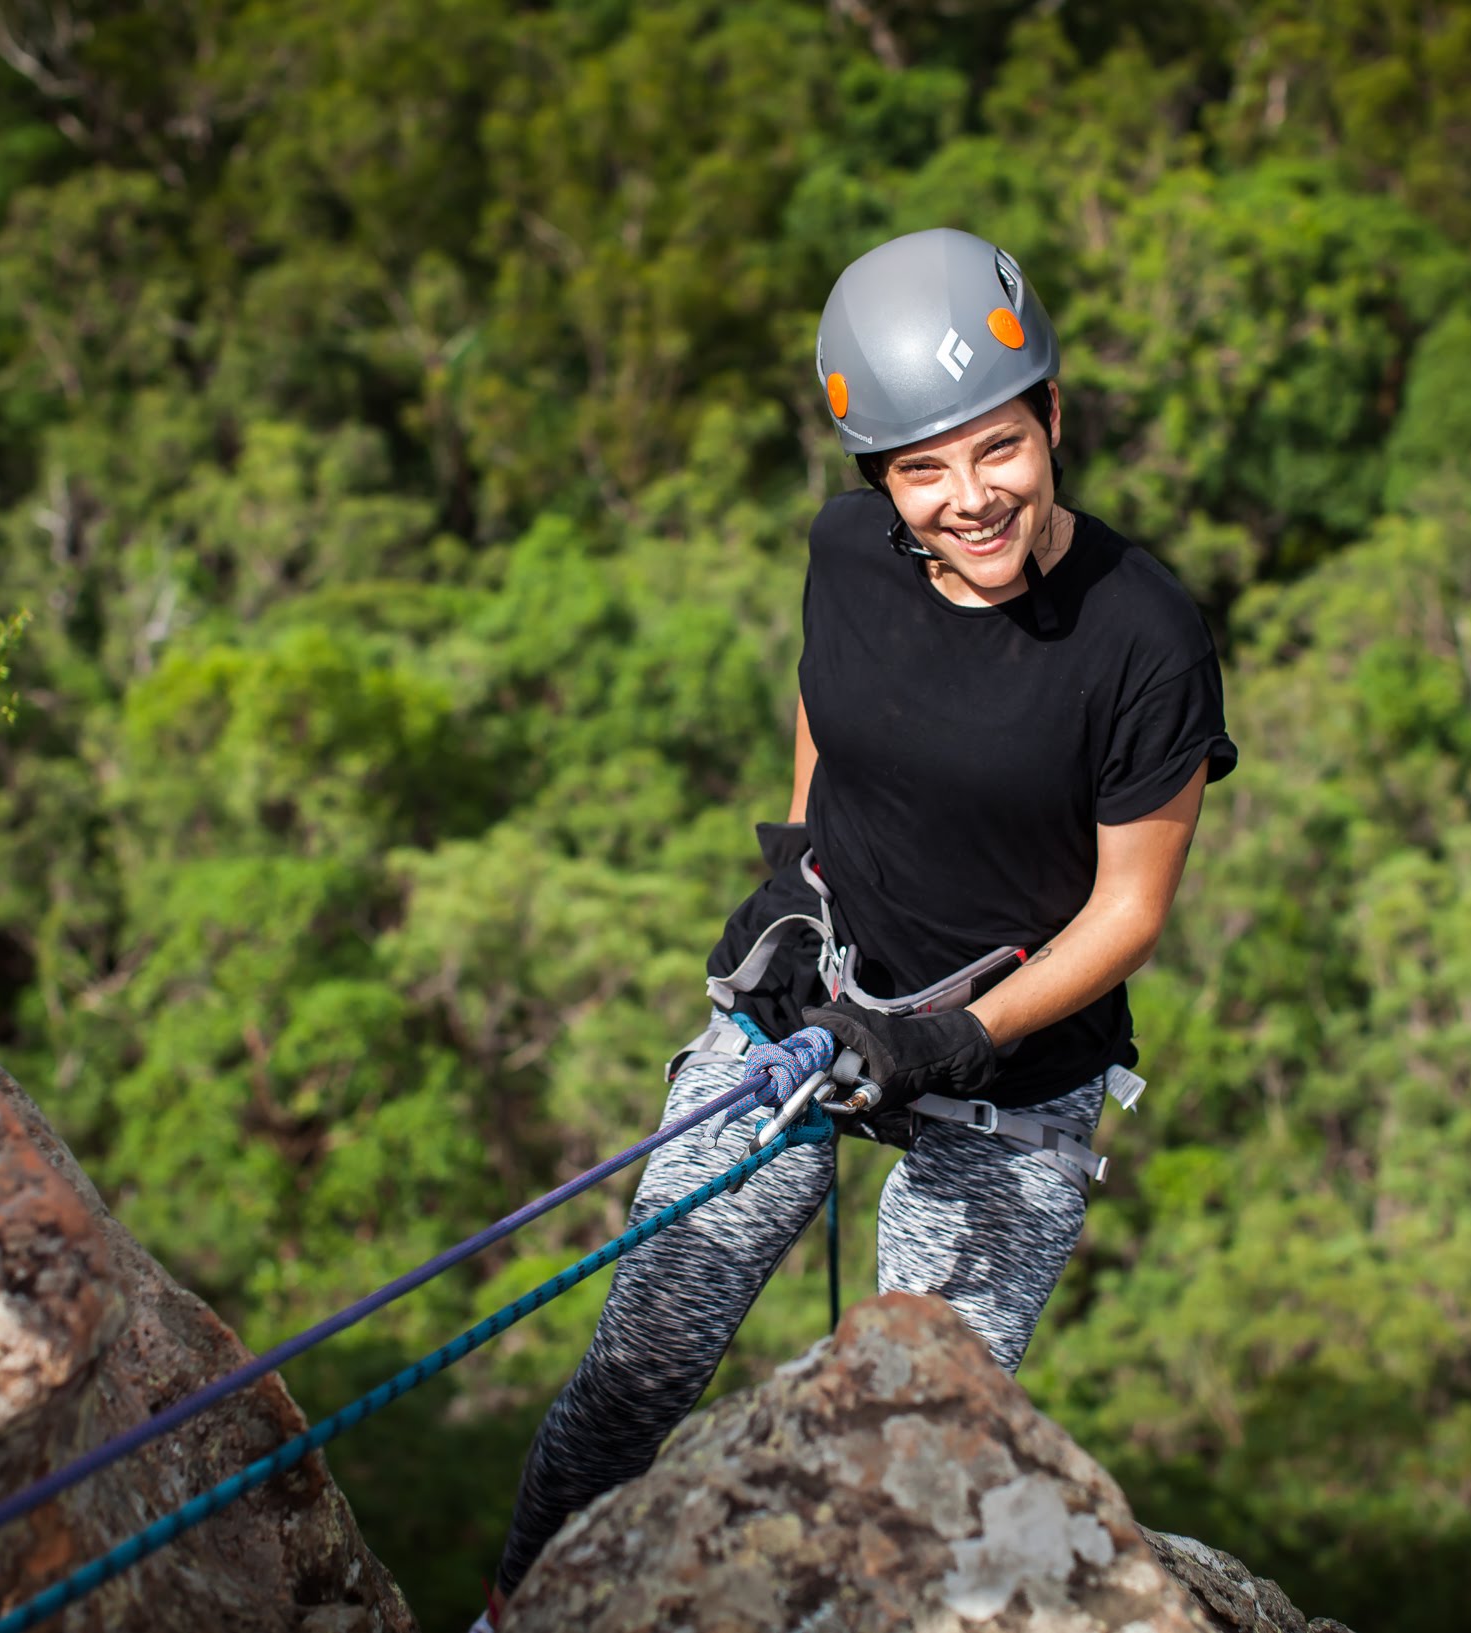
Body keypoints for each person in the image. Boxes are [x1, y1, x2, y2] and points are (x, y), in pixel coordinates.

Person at [473, 227, 1237, 1625]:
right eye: (921, 468)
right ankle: (515, 1608)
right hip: (809, 1008)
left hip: (1005, 1079)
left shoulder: (1144, 639)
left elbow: (1128, 911)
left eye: (997, 449)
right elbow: (834, 695)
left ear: (1054, 419)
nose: (968, 498)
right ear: (877, 479)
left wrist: (943, 1036)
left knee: (914, 1448)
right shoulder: (847, 551)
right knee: (640, 1361)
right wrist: (796, 866)